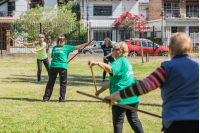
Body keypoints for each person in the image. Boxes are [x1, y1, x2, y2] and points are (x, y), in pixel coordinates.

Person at [104, 33, 199, 133]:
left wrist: (115, 96)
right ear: (190, 48)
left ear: (170, 50)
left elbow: (142, 87)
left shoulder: (166, 69)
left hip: (174, 123)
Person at [88, 42, 144, 133]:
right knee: (134, 121)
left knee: (118, 122)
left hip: (120, 98)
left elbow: (110, 69)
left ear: (120, 51)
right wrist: (100, 91)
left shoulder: (119, 61)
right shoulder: (125, 61)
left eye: (114, 49)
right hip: (132, 98)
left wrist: (98, 63)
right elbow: (113, 81)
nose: (112, 50)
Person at [43, 35, 89, 102]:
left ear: (57, 40)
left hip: (53, 66)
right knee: (63, 83)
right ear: (64, 41)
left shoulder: (55, 48)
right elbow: (77, 47)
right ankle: (62, 99)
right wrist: (86, 44)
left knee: (50, 82)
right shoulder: (66, 47)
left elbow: (53, 56)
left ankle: (46, 98)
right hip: (62, 66)